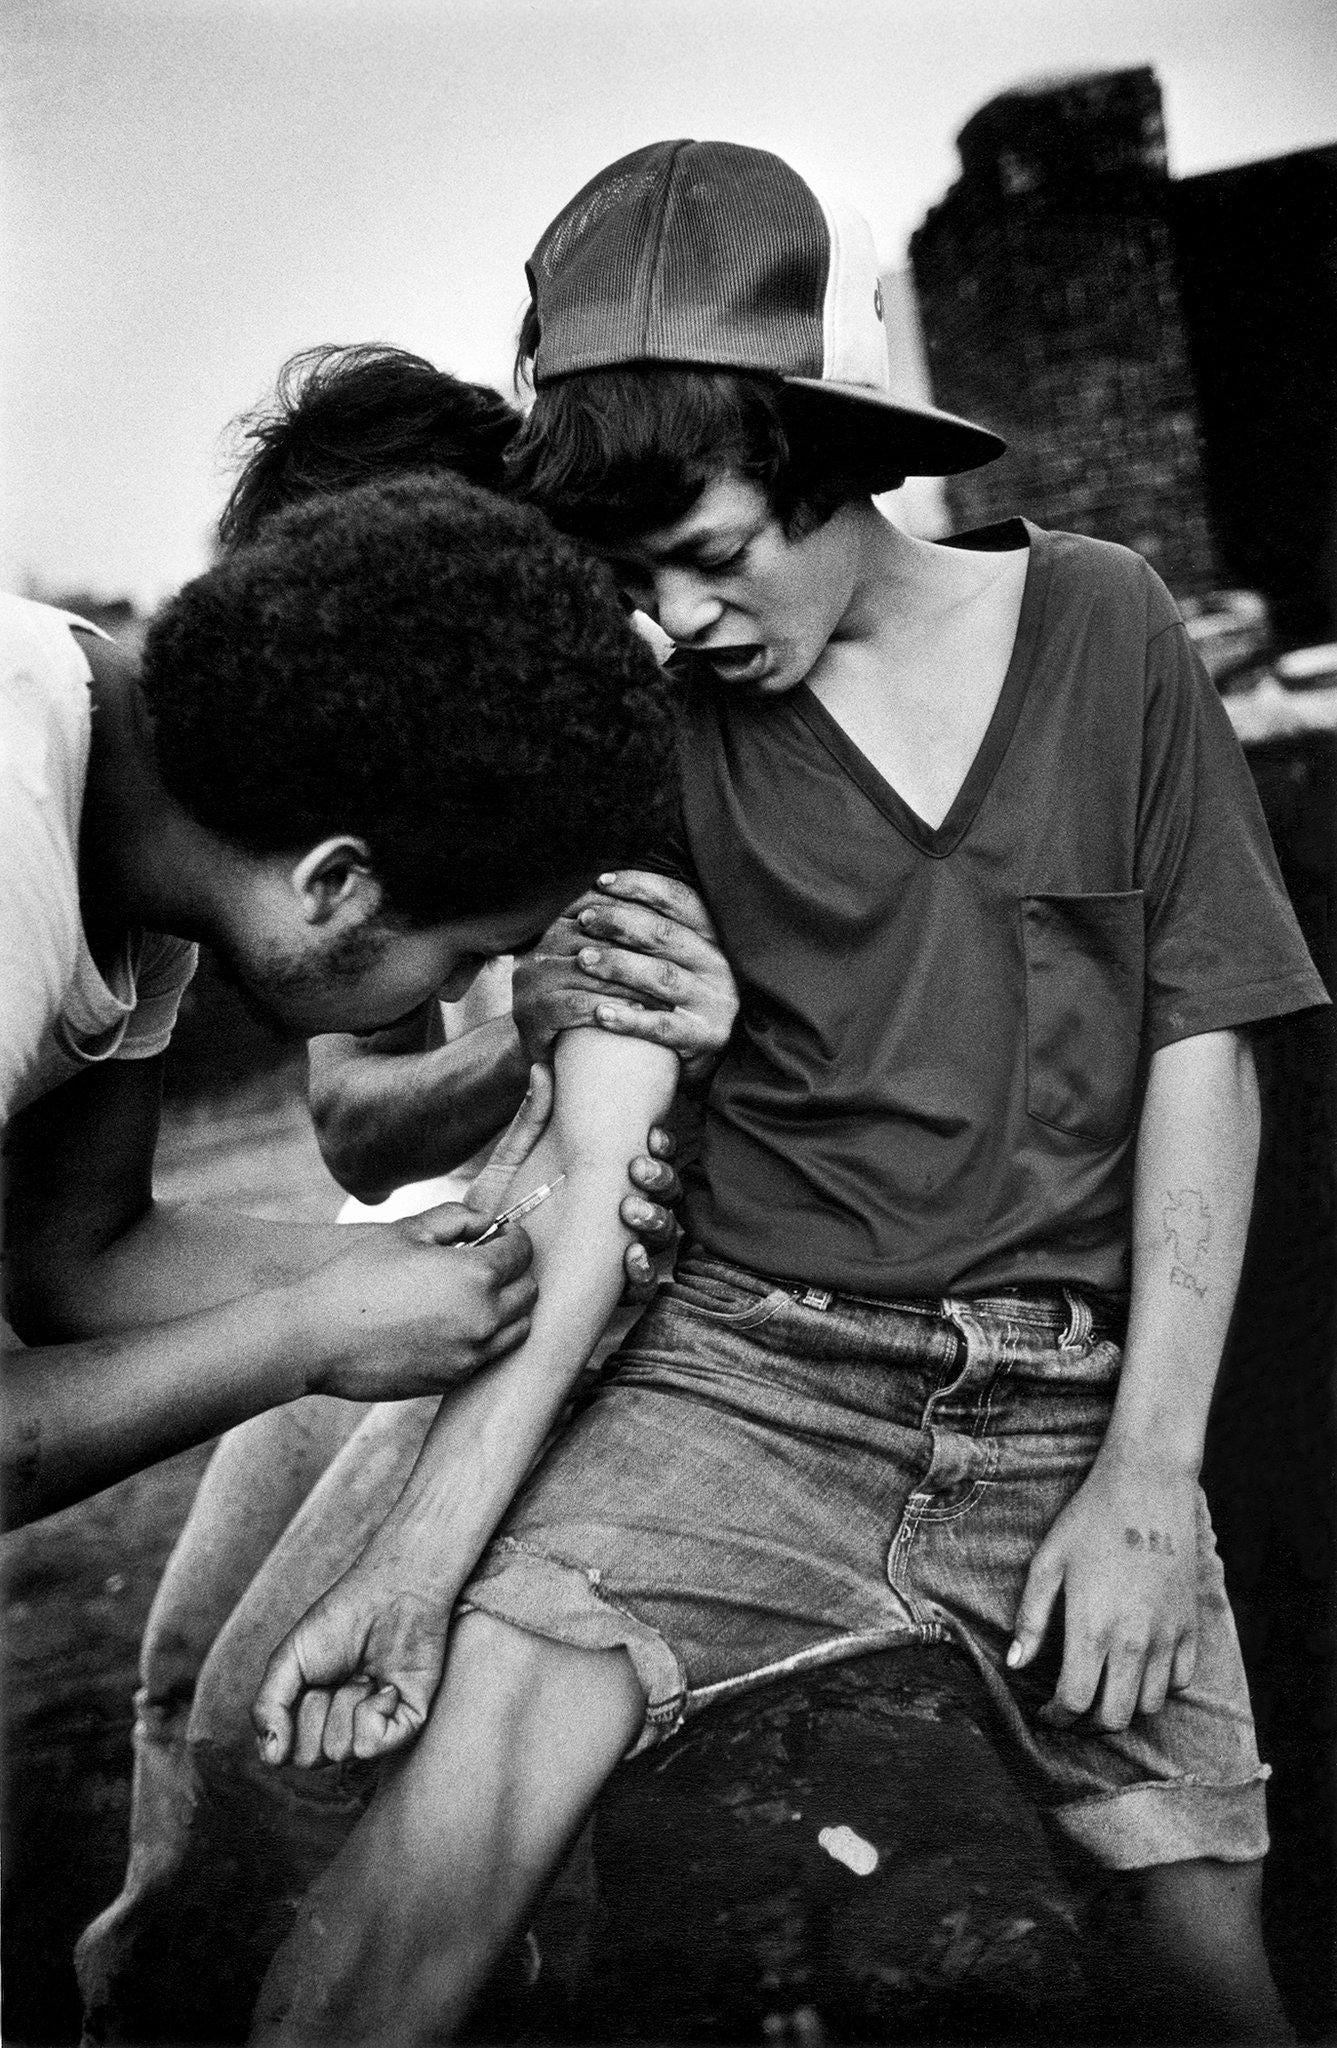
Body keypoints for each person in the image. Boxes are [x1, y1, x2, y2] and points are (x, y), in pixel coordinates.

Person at [241, 142, 1328, 2047]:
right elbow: (594, 1177)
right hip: (747, 1385)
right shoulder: (661, 744)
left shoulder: (1106, 629)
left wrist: (1152, 1473)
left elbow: (1198, 1048)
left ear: (825, 459)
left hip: (1070, 1409)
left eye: (711, 552)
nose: (678, 618)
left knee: (1205, 1964)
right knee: (412, 1892)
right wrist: (416, 1570)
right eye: (632, 578)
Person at [74, 349, 739, 2042]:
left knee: (290, 1724)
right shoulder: (300, 817)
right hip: (422, 1251)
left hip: (522, 1274)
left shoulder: (548, 767)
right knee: (192, 1678)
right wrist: (514, 1035)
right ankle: (151, 1982)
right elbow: (357, 1128)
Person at [0, 467, 683, 1527]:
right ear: (335, 881)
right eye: (470, 953)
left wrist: (463, 1269)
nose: (462, 987)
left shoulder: (147, 834)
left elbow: (81, 1266)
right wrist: (307, 1334)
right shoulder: (16, 852)